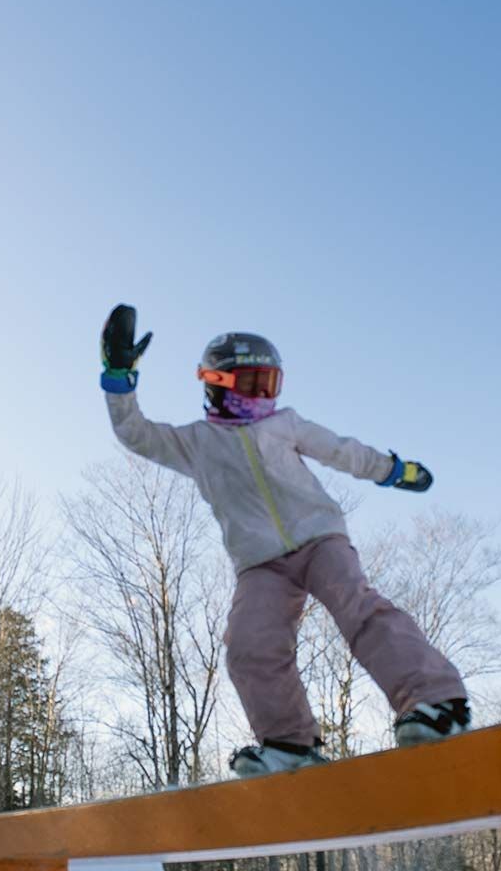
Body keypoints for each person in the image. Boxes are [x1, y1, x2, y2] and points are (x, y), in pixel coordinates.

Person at [98, 304, 469, 778]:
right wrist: (118, 376)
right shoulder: (195, 442)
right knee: (249, 645)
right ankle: (289, 743)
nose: (262, 397)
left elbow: (342, 451)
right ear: (217, 382)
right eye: (252, 384)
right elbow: (136, 434)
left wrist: (394, 470)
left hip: (319, 538)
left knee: (358, 608)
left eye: (269, 385)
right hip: (259, 564)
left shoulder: (285, 424)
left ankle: (437, 702)